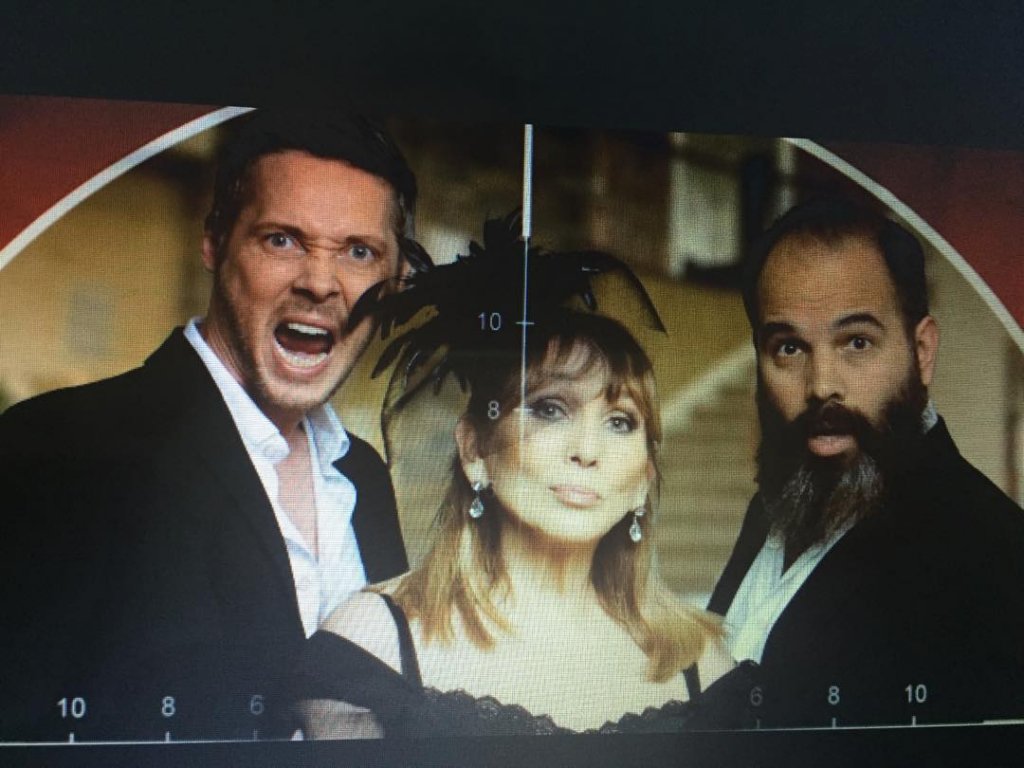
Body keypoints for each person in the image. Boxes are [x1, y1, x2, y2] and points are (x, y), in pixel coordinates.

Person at [0, 111, 419, 740]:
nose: (319, 283)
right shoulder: (59, 446)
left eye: (359, 252)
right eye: (283, 240)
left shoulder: (364, 476)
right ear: (215, 243)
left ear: (395, 283)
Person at [292, 217, 758, 737]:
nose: (587, 452)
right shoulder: (372, 646)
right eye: (549, 410)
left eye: (620, 422)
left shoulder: (704, 666)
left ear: (644, 478)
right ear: (474, 450)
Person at [708, 196, 1024, 727]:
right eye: (789, 348)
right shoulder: (774, 507)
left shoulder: (995, 554)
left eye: (857, 342)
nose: (821, 385)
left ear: (922, 352)